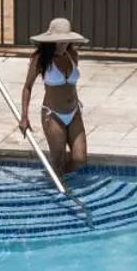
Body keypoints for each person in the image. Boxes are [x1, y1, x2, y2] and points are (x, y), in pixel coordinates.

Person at [19, 18, 88, 175]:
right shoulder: (41, 59)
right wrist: (24, 117)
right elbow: (27, 87)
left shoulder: (72, 55)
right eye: (59, 42)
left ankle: (62, 179)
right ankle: (60, 190)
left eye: (65, 41)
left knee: (80, 158)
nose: (62, 45)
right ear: (51, 41)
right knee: (58, 160)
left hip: (74, 111)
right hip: (53, 115)